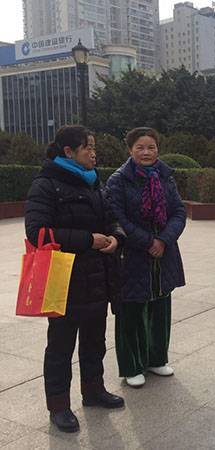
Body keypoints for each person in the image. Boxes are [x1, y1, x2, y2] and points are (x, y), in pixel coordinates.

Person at [25, 125, 125, 433]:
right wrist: (88, 240)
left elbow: (111, 218)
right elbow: (38, 233)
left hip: (97, 276)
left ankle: (93, 391)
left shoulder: (94, 181)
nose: (94, 153)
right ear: (68, 151)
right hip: (62, 278)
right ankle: (59, 406)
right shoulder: (46, 185)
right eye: (87, 147)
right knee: (60, 347)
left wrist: (116, 238)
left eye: (94, 147)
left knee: (95, 341)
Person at [106, 127, 186, 388]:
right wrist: (148, 241)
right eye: (140, 147)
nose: (146, 152)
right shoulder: (119, 180)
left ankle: (157, 358)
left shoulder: (165, 176)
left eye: (151, 147)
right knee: (132, 311)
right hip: (133, 255)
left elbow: (178, 211)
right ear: (130, 150)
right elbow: (117, 218)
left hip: (164, 254)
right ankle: (132, 365)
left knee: (160, 308)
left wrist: (163, 240)